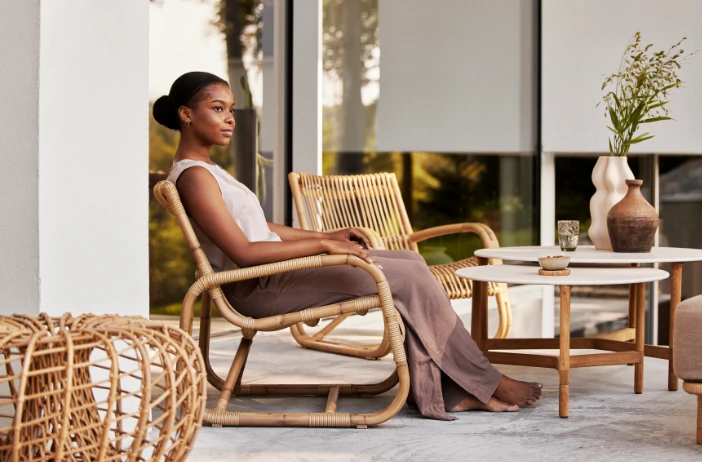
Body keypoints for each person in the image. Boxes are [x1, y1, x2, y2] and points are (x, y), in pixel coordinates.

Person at [153, 71, 542, 420]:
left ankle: (449, 388)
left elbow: (261, 229)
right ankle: (482, 381)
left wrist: (329, 235)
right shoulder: (195, 177)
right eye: (218, 108)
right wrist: (322, 245)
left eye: (232, 110)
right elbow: (245, 252)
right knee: (406, 275)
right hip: (258, 285)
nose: (230, 119)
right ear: (186, 115)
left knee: (408, 262)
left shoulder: (209, 171)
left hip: (273, 275)